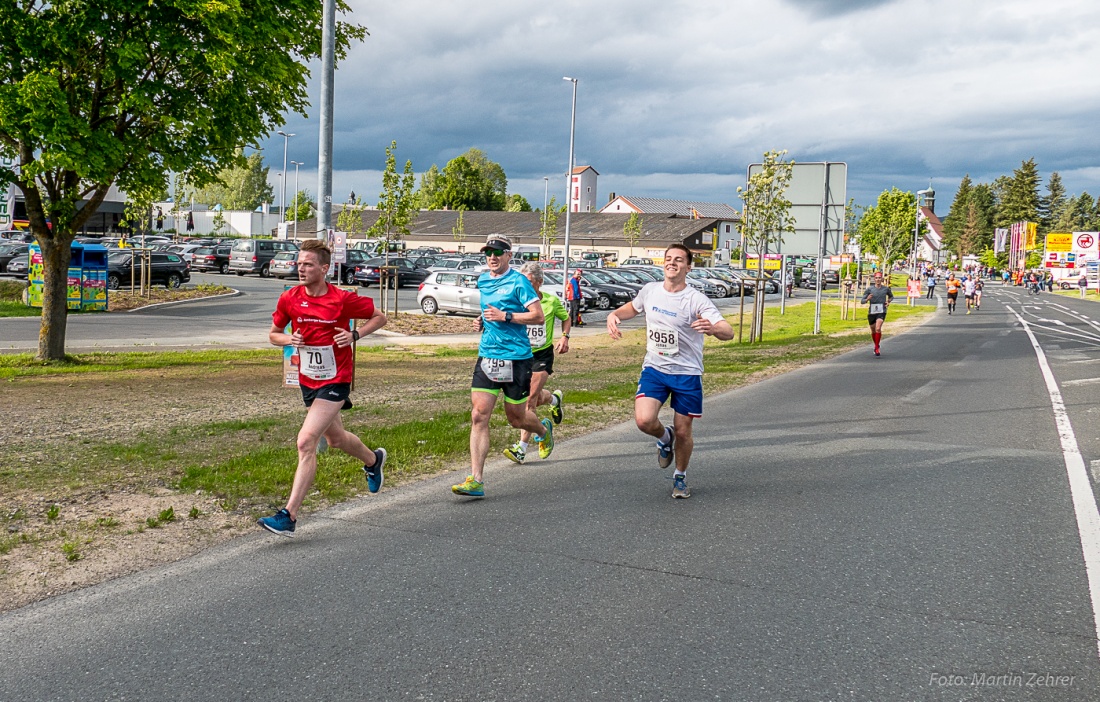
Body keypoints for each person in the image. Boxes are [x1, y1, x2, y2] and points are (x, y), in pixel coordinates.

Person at [258, 239, 388, 537]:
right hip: (308, 378)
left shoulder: (342, 299)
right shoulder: (289, 298)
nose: (301, 268)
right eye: (299, 263)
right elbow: (274, 334)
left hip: (336, 377)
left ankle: (289, 515)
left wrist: (355, 334)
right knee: (337, 439)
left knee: (306, 441)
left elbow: (380, 317)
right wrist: (290, 340)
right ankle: (373, 460)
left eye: (308, 264)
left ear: (324, 268)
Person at [606, 243, 734, 499]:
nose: (671, 263)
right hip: (655, 368)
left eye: (678, 260)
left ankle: (680, 477)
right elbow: (634, 307)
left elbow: (727, 331)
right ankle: (665, 438)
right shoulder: (650, 291)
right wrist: (614, 315)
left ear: (688, 267)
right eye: (668, 258)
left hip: (686, 373)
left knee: (685, 431)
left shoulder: (696, 299)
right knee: (643, 420)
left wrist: (712, 328)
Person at [452, 236, 553, 498]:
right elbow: (490, 310)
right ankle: (476, 480)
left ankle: (542, 429)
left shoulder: (519, 282)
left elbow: (538, 317)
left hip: (517, 358)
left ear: (509, 255)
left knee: (515, 418)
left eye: (498, 253)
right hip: (488, 355)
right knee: (478, 415)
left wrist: (506, 316)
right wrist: (481, 321)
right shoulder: (483, 280)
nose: (492, 257)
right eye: (488, 253)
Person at [503, 262, 571, 464]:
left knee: (529, 401)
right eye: (521, 280)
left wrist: (565, 337)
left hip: (542, 356)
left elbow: (566, 319)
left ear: (539, 282)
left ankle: (521, 448)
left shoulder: (550, 301)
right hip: (521, 356)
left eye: (529, 281)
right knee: (532, 397)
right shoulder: (517, 302)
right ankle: (554, 400)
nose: (524, 284)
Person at [861, 271, 894, 356]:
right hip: (872, 311)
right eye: (876, 278)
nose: (878, 279)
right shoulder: (869, 289)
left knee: (878, 328)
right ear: (874, 279)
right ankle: (876, 344)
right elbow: (862, 301)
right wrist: (867, 299)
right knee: (873, 330)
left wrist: (888, 301)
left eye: (879, 278)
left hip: (881, 311)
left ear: (882, 279)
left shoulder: (885, 289)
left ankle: (876, 347)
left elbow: (891, 296)